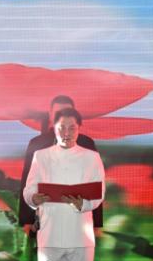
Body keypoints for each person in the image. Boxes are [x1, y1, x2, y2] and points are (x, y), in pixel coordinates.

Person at [23, 106, 105, 261]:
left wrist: (83, 204)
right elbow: (28, 189)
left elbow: (99, 192)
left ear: (79, 129)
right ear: (54, 128)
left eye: (72, 128)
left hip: (80, 235)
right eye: (62, 128)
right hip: (50, 232)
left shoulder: (91, 157)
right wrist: (34, 197)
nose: (66, 133)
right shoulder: (41, 156)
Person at [19, 95, 103, 237]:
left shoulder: (87, 143)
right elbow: (27, 181)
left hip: (78, 212)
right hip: (46, 213)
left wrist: (97, 222)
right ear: (51, 115)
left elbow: (95, 183)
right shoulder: (36, 144)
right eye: (59, 113)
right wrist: (26, 220)